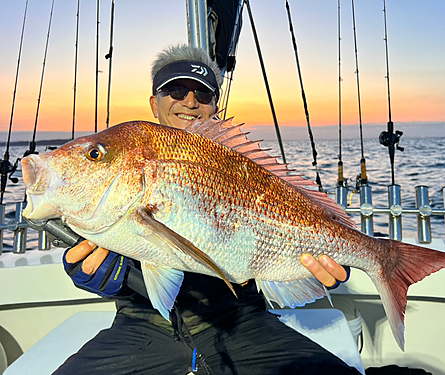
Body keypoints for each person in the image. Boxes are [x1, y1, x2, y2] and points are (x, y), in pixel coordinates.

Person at [54, 44, 358, 375]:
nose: (189, 101)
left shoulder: (241, 166)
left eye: (202, 93)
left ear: (215, 107)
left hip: (242, 320)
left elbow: (293, 225)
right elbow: (93, 243)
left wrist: (326, 263)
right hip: (142, 324)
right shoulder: (122, 163)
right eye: (176, 90)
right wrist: (91, 272)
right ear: (154, 104)